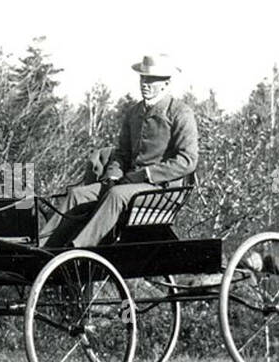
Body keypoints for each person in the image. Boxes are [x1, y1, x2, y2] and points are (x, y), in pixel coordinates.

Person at [41, 53, 198, 249]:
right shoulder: (134, 113)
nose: (145, 84)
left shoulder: (180, 113)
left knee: (116, 195)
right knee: (77, 195)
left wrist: (145, 174)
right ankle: (41, 247)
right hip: (127, 184)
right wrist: (113, 175)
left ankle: (76, 250)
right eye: (143, 78)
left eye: (151, 80)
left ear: (165, 84)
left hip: (163, 190)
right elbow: (121, 154)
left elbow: (188, 159)